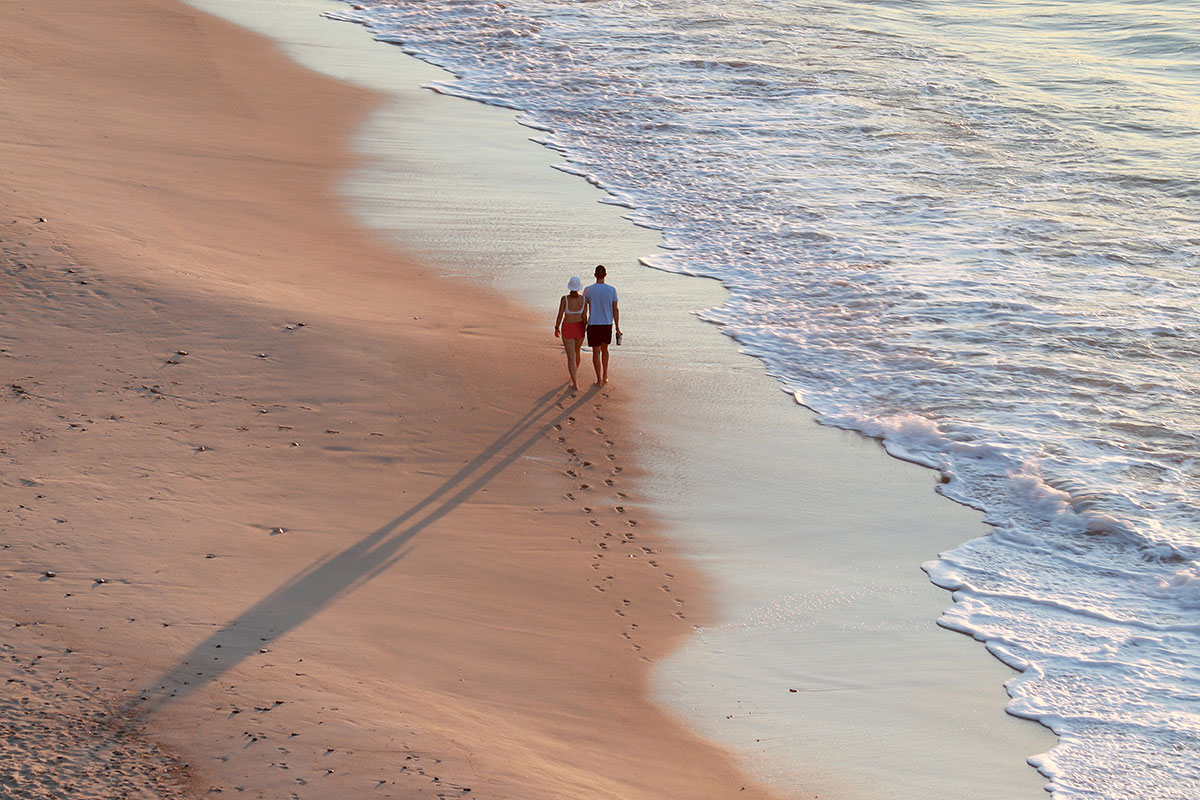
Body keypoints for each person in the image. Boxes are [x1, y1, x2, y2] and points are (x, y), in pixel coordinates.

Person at [583, 264, 621, 387]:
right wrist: (618, 328)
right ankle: (605, 377)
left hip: (593, 323)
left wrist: (583, 325)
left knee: (596, 352)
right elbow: (615, 310)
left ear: (595, 275)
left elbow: (583, 310)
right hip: (607, 324)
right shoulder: (612, 290)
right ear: (605, 275)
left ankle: (598, 380)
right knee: (605, 350)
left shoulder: (588, 290)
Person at [554, 276, 588, 390]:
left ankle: (575, 382)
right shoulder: (584, 299)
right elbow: (584, 316)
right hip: (579, 327)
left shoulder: (564, 299)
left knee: (570, 356)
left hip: (568, 327)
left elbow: (560, 314)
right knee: (577, 352)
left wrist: (556, 327)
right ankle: (574, 375)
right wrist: (585, 327)